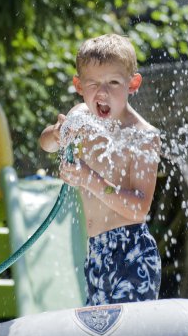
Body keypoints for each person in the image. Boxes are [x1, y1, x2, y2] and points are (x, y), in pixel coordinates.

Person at [39, 34, 161, 306]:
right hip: (95, 253)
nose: (102, 93)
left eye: (113, 83)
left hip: (133, 255)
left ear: (133, 84)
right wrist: (57, 135)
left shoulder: (143, 136)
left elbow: (139, 209)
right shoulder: (80, 118)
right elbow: (45, 143)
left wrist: (89, 179)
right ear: (79, 86)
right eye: (93, 83)